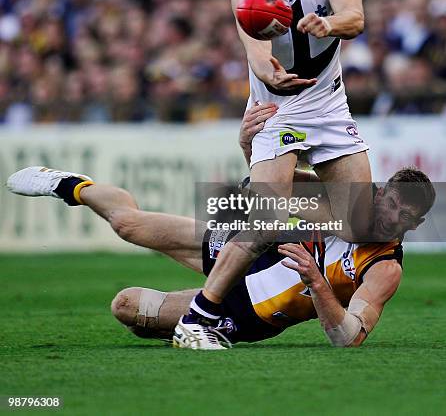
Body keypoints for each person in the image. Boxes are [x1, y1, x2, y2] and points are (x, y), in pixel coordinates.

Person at [6, 108, 435, 350]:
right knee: (128, 224)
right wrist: (252, 146)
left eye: (401, 215)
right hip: (245, 250)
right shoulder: (346, 201)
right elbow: (262, 185)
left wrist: (316, 280)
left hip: (251, 312)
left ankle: (185, 321)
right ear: (380, 192)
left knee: (128, 310)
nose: (387, 214)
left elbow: (348, 338)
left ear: (413, 225)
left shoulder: (384, 268)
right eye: (388, 201)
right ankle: (67, 184)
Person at [177, 0, 374, 347]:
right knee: (266, 218)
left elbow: (355, 16)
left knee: (360, 223)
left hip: (328, 108)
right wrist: (273, 76)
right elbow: (258, 60)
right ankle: (197, 317)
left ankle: (264, 188)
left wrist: (330, 25)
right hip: (277, 110)